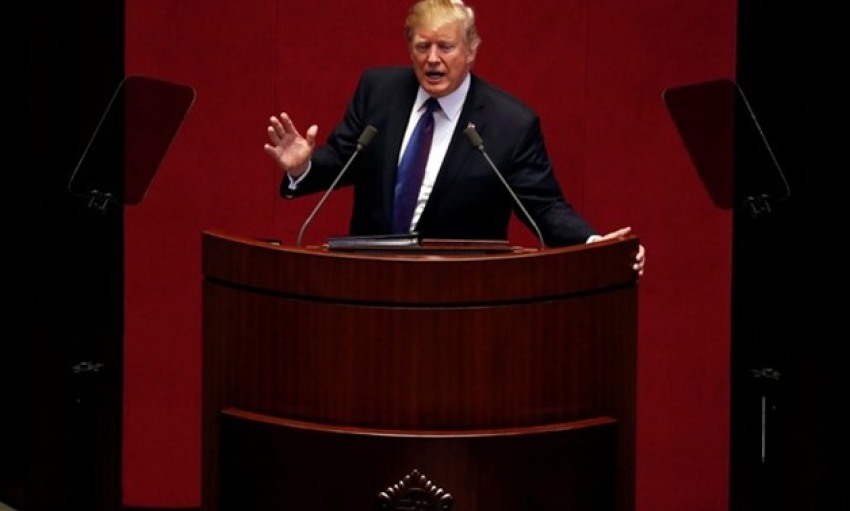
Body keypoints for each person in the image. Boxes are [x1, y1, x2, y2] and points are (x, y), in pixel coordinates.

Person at [264, 0, 645, 276]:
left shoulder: (509, 124)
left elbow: (543, 208)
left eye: (445, 47)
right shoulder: (377, 91)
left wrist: (594, 244)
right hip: (368, 282)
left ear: (471, 51)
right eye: (422, 46)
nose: (432, 59)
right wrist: (304, 166)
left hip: (460, 294)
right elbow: (346, 158)